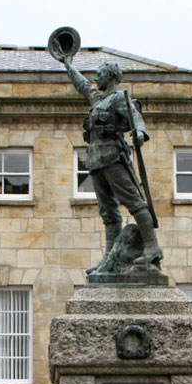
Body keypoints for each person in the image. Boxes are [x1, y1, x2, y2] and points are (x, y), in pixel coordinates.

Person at [61, 56, 162, 271]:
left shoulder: (118, 99)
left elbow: (136, 118)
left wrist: (141, 134)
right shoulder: (97, 99)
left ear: (112, 76)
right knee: (108, 212)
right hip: (95, 161)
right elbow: (82, 84)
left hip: (113, 158)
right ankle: (110, 259)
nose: (96, 76)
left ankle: (152, 247)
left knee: (134, 202)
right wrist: (68, 65)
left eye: (100, 73)